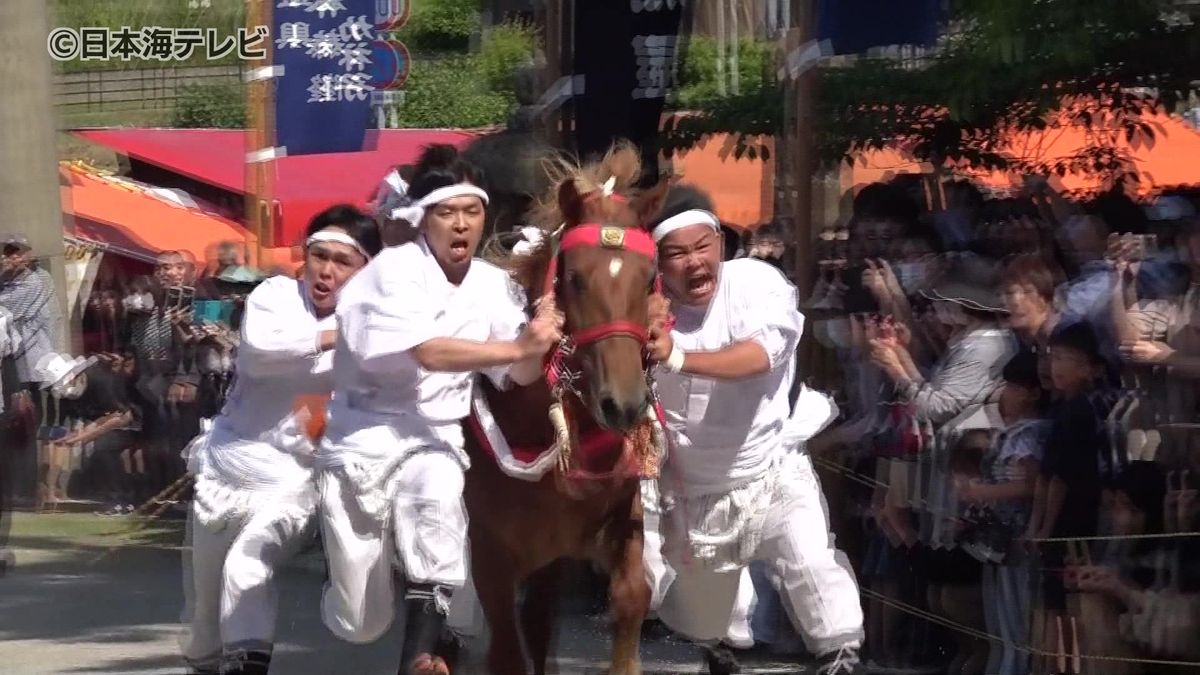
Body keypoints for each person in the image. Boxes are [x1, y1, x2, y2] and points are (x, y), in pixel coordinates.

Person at [316, 145, 562, 675]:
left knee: (439, 501)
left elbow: (512, 375)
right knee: (360, 619)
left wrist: (538, 344)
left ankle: (422, 657)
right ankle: (354, 593)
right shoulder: (392, 272)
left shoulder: (494, 286)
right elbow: (428, 350)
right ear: (421, 219)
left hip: (434, 437)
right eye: (447, 213)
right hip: (363, 439)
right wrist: (519, 348)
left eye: (471, 212)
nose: (461, 225)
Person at [643, 187, 866, 675]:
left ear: (720, 243)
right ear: (660, 262)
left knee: (812, 569)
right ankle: (718, 655)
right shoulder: (644, 310)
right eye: (678, 254)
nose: (695, 263)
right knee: (715, 621)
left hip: (770, 465)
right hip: (693, 488)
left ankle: (841, 662)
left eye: (703, 247)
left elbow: (761, 355)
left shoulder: (755, 283)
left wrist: (677, 356)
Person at [179, 205, 382, 675]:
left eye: (343, 262)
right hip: (226, 466)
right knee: (204, 627)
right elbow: (263, 352)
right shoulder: (274, 295)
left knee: (246, 568)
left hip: (294, 480)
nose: (327, 271)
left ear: (366, 271)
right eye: (319, 256)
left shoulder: (376, 322)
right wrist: (347, 333)